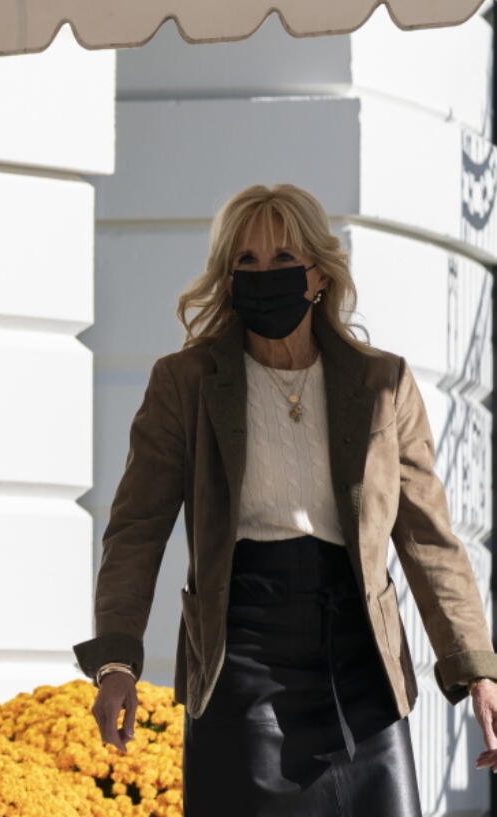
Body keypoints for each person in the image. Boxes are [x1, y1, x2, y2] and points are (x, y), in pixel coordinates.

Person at [74, 184, 497, 815]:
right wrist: (116, 661)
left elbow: (427, 536)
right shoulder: (185, 383)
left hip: (361, 658)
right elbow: (136, 529)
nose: (262, 276)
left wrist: (477, 668)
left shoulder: (383, 384)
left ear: (319, 274)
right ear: (226, 274)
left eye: (281, 260)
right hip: (241, 653)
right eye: (244, 262)